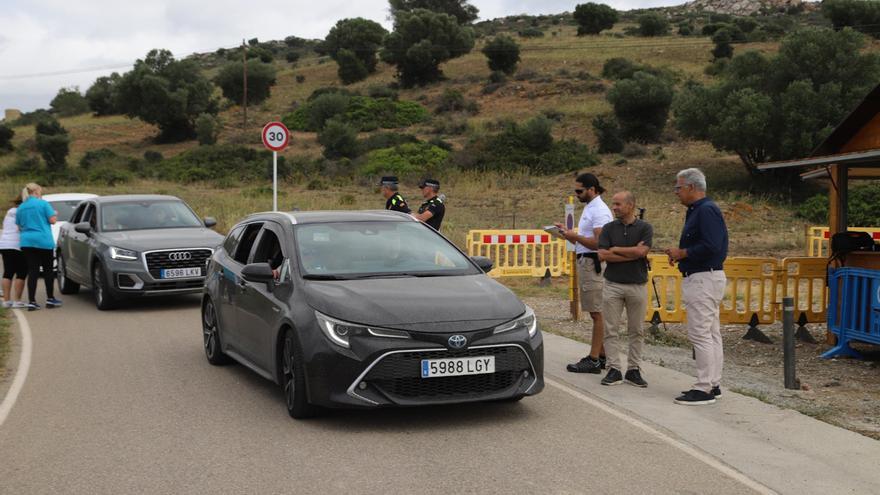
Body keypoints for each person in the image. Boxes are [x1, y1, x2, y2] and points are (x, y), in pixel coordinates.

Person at [665, 168, 728, 406]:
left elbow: (712, 245)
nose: (676, 192)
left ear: (691, 187)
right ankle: (713, 383)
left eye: (678, 187)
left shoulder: (705, 211)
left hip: (703, 278)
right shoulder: (700, 210)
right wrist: (682, 255)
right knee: (711, 333)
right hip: (705, 276)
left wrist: (684, 252)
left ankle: (703, 388)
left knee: (701, 333)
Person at [557, 173, 613, 374]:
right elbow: (584, 240)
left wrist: (576, 236)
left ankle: (594, 359)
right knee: (595, 310)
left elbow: (600, 243)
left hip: (592, 263)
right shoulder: (592, 208)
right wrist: (568, 234)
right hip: (587, 262)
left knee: (597, 312)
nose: (577, 194)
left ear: (592, 189)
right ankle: (603, 355)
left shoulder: (599, 210)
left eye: (579, 191)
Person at [596, 191, 652, 387]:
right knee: (611, 329)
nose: (614, 207)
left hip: (637, 285)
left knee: (636, 330)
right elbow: (602, 255)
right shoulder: (608, 228)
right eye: (613, 204)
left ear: (631, 205)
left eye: (618, 204)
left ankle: (634, 369)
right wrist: (632, 254)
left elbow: (642, 251)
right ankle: (613, 368)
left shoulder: (645, 228)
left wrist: (616, 249)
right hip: (613, 285)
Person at [16, 183, 61, 311]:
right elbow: (52, 220)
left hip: (27, 242)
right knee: (48, 270)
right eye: (40, 191)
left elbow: (19, 227)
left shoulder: (21, 207)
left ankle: (32, 301)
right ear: (36, 191)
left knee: (33, 271)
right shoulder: (43, 204)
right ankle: (50, 298)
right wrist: (55, 214)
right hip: (43, 240)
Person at [0, 197, 27, 308]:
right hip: (17, 244)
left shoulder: (9, 212)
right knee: (21, 272)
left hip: (4, 244)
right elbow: (22, 227)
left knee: (8, 272)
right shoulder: (23, 212)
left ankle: (6, 301)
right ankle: (17, 300)